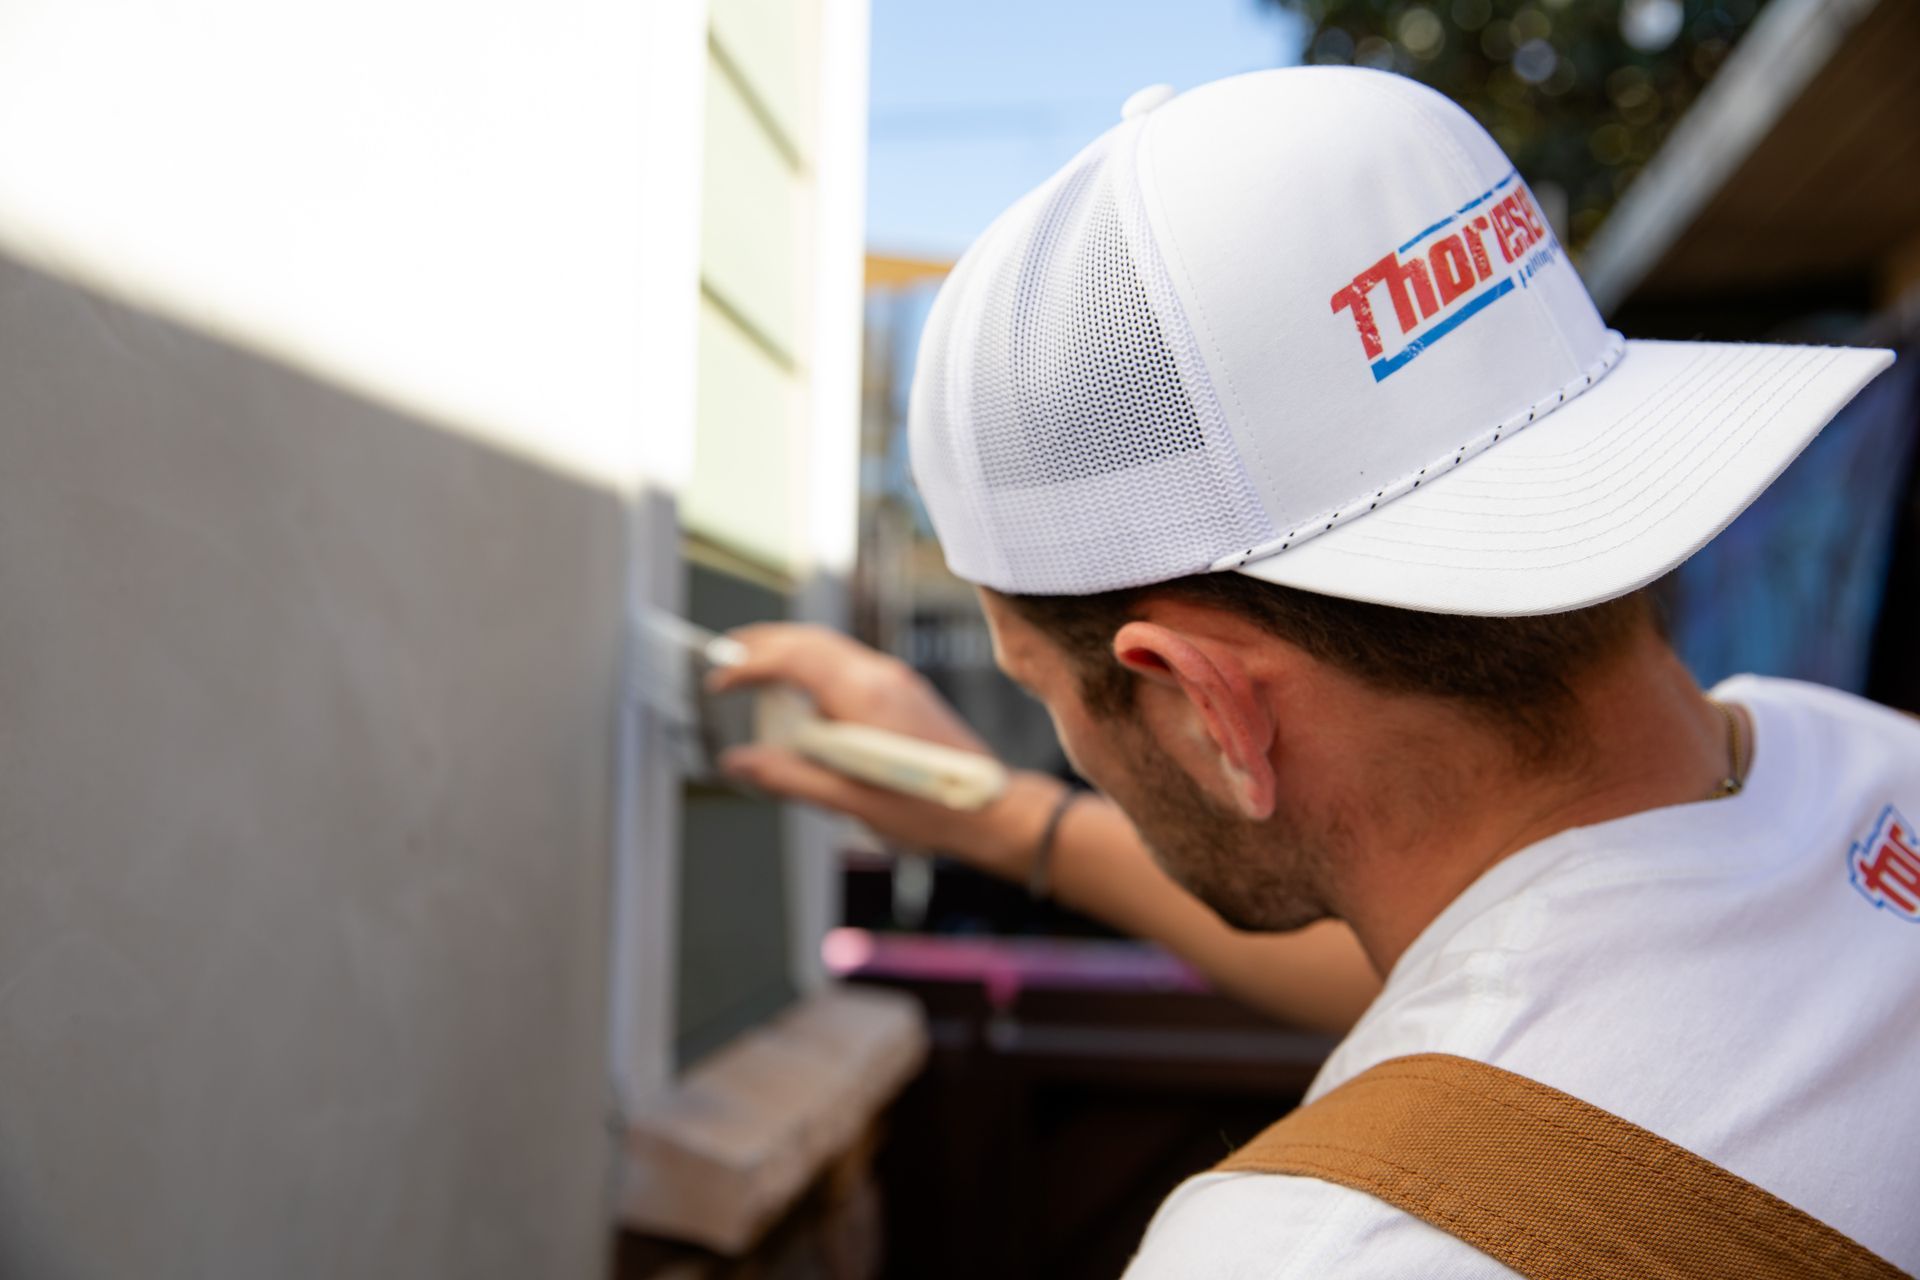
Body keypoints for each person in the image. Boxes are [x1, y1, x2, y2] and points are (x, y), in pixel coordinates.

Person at [717, 67, 1914, 1276]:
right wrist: (1002, 816)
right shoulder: (1850, 757)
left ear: (1202, 704)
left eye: (1039, 685)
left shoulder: (1322, 1248)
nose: (1063, 734)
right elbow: (1481, 954)